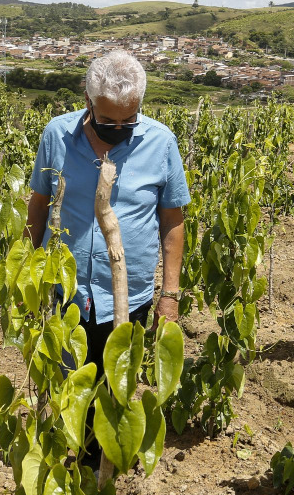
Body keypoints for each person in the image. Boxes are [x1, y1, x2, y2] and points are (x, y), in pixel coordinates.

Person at [27, 51, 189, 459]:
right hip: (66, 291)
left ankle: (105, 468)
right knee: (69, 383)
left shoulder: (161, 143)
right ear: (88, 100)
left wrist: (170, 294)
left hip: (128, 294)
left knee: (117, 385)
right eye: (108, 120)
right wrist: (30, 269)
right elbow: (39, 204)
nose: (118, 128)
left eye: (127, 121)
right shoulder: (56, 136)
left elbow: (172, 221)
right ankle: (71, 460)